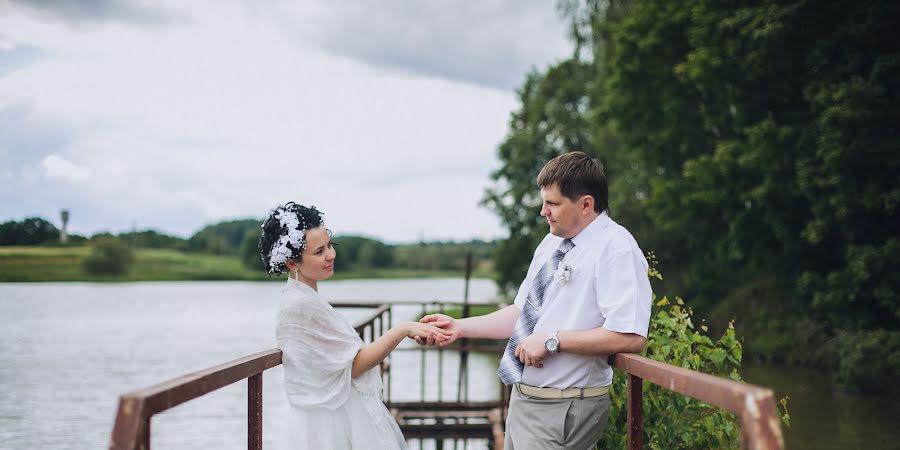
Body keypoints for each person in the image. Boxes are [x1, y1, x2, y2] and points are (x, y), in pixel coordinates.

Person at [419, 152, 652, 450]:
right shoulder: (552, 242)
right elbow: (523, 312)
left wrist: (553, 341)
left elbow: (630, 336)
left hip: (564, 405)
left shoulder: (616, 249)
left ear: (586, 204)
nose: (543, 211)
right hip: (526, 399)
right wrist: (459, 327)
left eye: (553, 203)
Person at [261, 202, 449, 449]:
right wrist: (401, 330)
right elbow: (354, 365)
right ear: (292, 263)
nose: (331, 255)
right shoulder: (298, 306)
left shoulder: (307, 297)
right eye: (319, 252)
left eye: (330, 245)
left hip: (337, 413)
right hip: (327, 424)